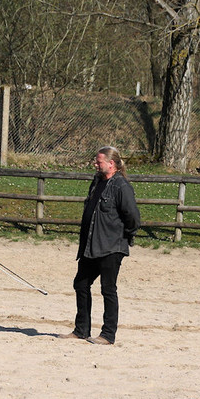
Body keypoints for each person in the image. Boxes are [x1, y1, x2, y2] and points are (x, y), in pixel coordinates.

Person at [60, 146, 141, 345]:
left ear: (111, 164)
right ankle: (81, 330)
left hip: (111, 247)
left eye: (99, 162)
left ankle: (108, 334)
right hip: (91, 246)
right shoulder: (97, 182)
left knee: (108, 289)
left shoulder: (121, 186)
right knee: (81, 283)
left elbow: (133, 218)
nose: (95, 165)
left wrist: (124, 237)